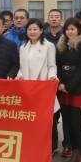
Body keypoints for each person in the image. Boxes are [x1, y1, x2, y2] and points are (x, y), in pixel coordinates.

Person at [17, 18, 58, 151]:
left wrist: (52, 77)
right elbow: (20, 67)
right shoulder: (23, 47)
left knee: (46, 120)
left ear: (41, 31)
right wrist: (19, 76)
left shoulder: (48, 46)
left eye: (35, 29)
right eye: (29, 29)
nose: (32, 32)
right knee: (30, 120)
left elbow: (52, 65)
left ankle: (51, 148)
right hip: (28, 89)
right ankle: (32, 147)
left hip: (43, 87)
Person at [55, 18, 81, 162]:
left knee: (76, 124)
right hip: (63, 89)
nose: (70, 31)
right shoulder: (62, 44)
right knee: (68, 124)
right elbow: (58, 66)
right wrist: (61, 83)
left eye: (73, 29)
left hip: (78, 89)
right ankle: (75, 154)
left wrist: (69, 86)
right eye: (68, 29)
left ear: (78, 30)